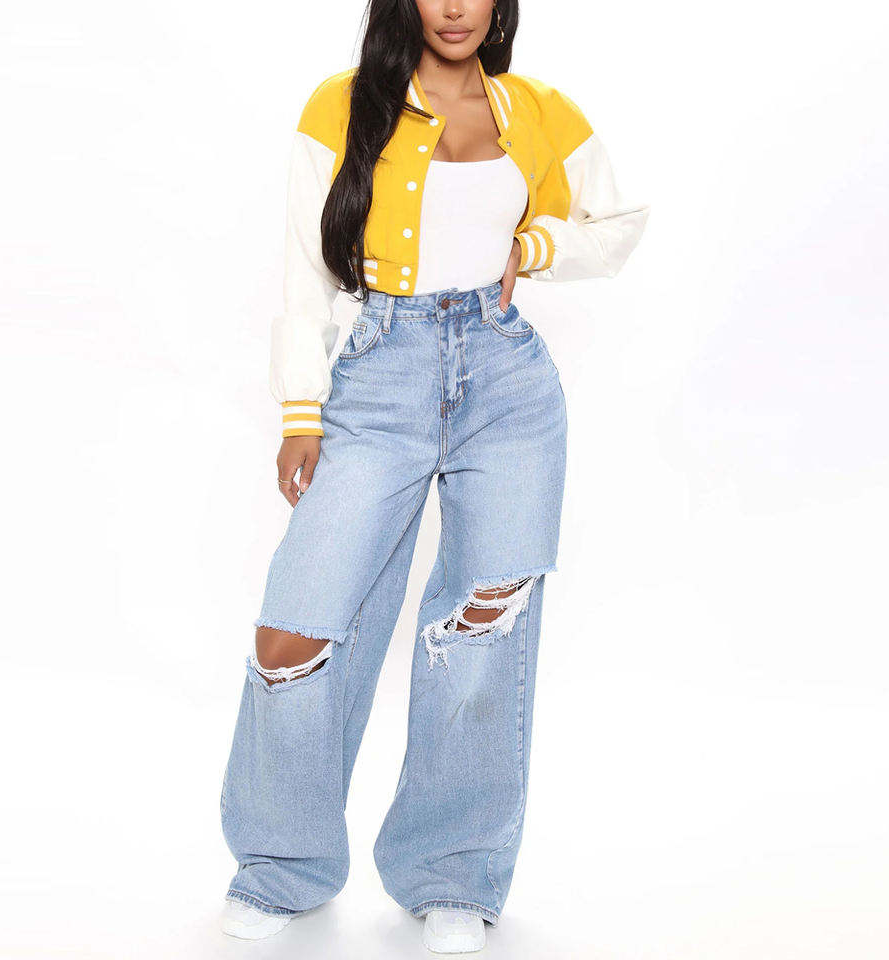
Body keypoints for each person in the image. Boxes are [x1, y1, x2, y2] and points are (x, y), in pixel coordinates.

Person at [219, 0, 649, 952]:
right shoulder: (343, 105)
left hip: (507, 384)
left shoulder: (539, 110)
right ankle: (283, 864)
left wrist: (539, 246)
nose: (454, 6)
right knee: (297, 625)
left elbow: (619, 225)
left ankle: (454, 872)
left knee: (484, 630)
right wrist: (301, 408)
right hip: (379, 375)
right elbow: (303, 268)